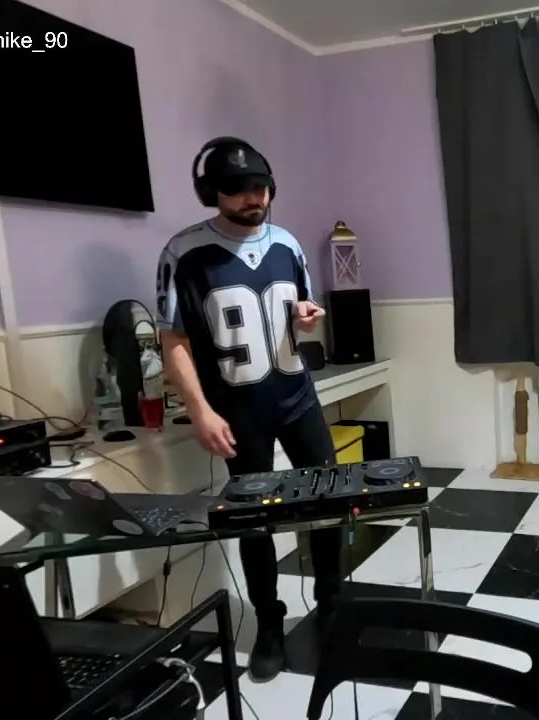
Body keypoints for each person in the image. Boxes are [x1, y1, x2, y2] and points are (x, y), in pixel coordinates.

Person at [156, 137, 341, 683]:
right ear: (211, 193)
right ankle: (269, 623)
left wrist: (308, 319)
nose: (252, 198)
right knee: (255, 521)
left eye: (259, 187)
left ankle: (332, 604)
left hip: (296, 396)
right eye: (237, 190)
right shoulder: (184, 253)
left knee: (331, 499)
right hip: (237, 410)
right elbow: (173, 339)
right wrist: (200, 410)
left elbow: (304, 311)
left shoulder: (287, 244)